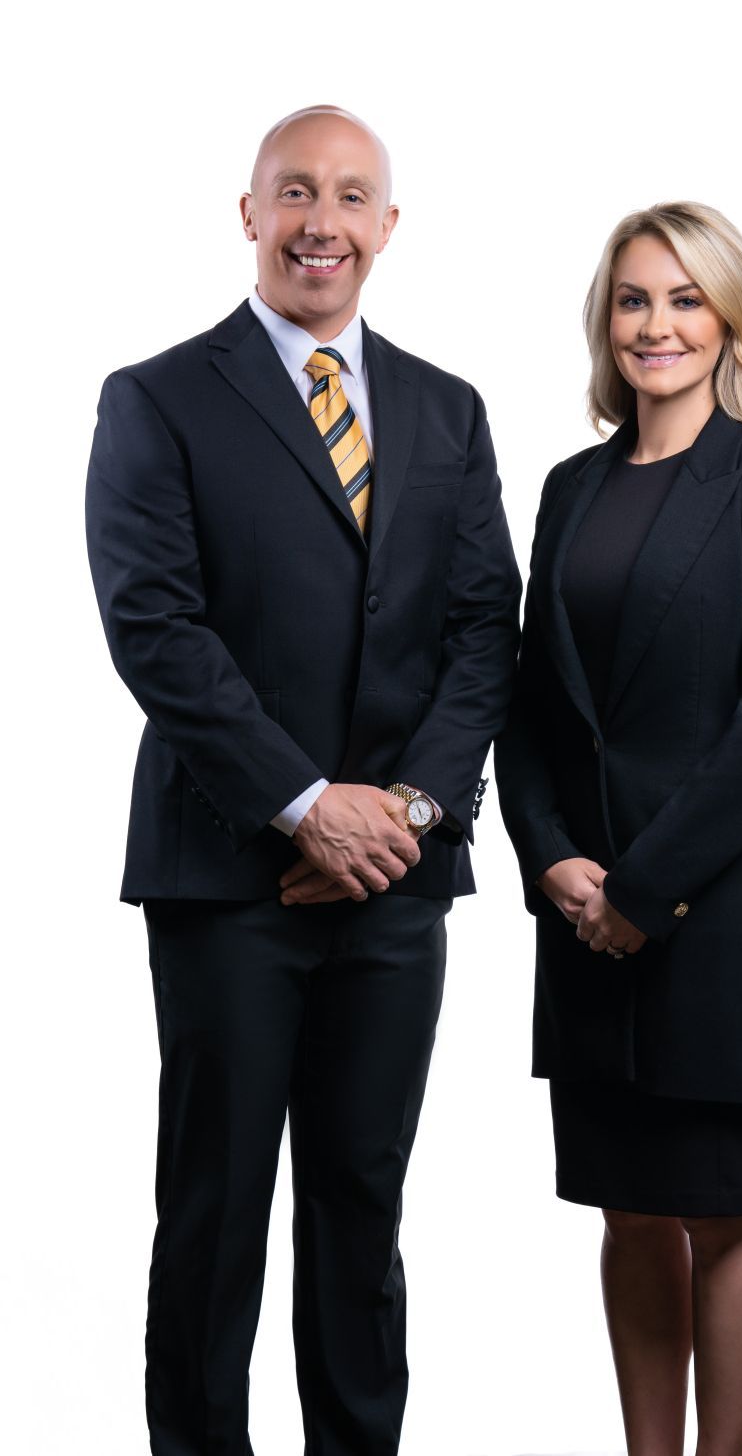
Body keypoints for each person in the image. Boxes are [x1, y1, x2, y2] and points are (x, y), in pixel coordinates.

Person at [85, 105, 521, 1456]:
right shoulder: (157, 398)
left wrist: (408, 810)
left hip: (397, 879)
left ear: (388, 227)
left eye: (349, 196)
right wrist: (303, 803)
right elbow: (154, 624)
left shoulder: (448, 410)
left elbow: (482, 626)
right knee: (214, 1209)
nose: (320, 220)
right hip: (228, 871)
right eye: (295, 193)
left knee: (361, 1204)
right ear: (250, 213)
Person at [495, 202, 742, 1456]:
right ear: (608, 321)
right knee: (629, 1210)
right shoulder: (568, 488)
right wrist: (554, 864)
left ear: (729, 316)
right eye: (635, 299)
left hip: (715, 906)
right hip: (583, 911)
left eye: (685, 299)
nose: (657, 325)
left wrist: (644, 887)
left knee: (725, 1207)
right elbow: (529, 701)